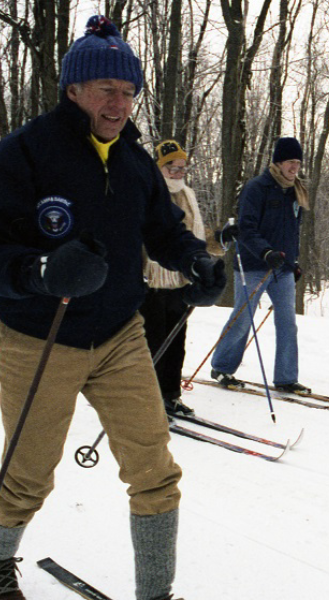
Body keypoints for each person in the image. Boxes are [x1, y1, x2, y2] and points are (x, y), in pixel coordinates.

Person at [0, 16, 225, 600]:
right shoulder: (25, 153)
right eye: (106, 89)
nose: (119, 103)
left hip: (119, 334)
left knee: (155, 471)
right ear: (73, 90)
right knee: (28, 473)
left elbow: (164, 230)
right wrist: (40, 271)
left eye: (129, 92)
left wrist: (196, 261)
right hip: (40, 336)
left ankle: (156, 592)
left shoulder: (134, 163)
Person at [141, 140, 237, 417]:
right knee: (154, 343)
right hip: (153, 282)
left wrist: (218, 239)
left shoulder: (188, 195)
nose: (179, 172)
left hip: (181, 282)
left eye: (183, 167)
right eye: (172, 167)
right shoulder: (150, 193)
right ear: (160, 167)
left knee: (176, 344)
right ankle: (149, 401)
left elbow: (194, 239)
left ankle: (171, 396)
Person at [210, 137, 310, 394]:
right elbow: (246, 229)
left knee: (288, 322)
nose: (294, 168)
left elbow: (293, 232)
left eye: (298, 162)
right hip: (254, 265)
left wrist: (294, 262)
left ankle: (286, 377)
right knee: (243, 318)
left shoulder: (295, 191)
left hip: (282, 268)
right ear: (278, 162)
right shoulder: (257, 188)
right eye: (290, 162)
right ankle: (222, 366)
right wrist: (265, 252)